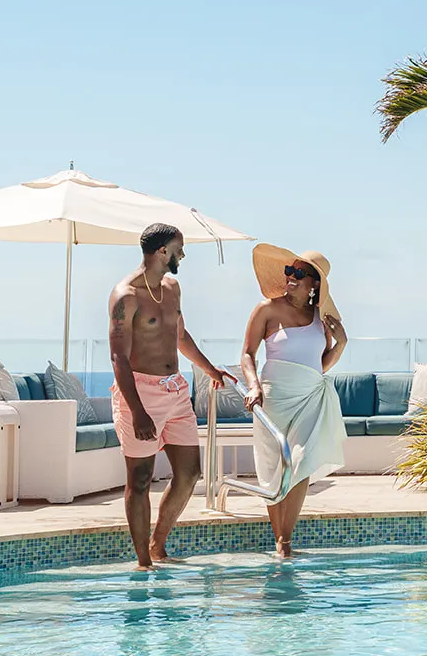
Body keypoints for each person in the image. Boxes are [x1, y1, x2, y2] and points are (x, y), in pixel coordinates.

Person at [107, 223, 236, 570]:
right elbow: (118, 356)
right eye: (180, 249)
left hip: (175, 390)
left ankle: (158, 544)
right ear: (162, 251)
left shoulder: (172, 288)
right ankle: (143, 562)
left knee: (190, 472)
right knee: (140, 479)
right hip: (140, 392)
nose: (183, 255)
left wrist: (209, 369)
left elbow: (179, 334)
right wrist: (137, 411)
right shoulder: (126, 296)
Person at [240, 244, 348, 558]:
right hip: (273, 396)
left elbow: (319, 362)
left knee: (300, 464)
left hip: (310, 396)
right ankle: (280, 539)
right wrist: (253, 386)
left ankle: (285, 541)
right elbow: (247, 354)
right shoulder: (266, 309)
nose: (291, 277)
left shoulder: (320, 317)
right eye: (290, 271)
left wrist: (341, 344)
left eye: (299, 273)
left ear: (314, 283)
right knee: (274, 468)